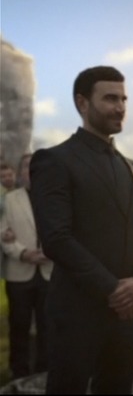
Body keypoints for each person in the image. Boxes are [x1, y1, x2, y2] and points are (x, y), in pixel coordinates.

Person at [29, 66, 133, 394]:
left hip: (127, 314)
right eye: (110, 98)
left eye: (124, 98)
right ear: (82, 103)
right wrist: (113, 288)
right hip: (76, 312)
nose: (121, 107)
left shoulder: (132, 169)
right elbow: (57, 238)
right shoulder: (54, 160)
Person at [0, 153, 52, 379]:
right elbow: (3, 234)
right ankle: (19, 374)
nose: (31, 170)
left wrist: (50, 253)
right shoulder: (9, 200)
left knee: (48, 328)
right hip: (19, 274)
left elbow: (65, 233)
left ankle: (43, 374)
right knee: (19, 328)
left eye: (36, 166)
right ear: (21, 172)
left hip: (49, 272)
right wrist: (24, 253)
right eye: (27, 167)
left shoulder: (56, 198)